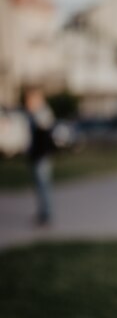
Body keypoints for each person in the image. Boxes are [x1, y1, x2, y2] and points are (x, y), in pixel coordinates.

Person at [23, 86, 56, 226]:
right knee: (40, 187)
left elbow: (45, 132)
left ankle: (46, 216)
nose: (27, 103)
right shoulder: (35, 114)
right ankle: (43, 213)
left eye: (30, 100)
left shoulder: (42, 114)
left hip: (42, 156)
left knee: (44, 187)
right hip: (37, 156)